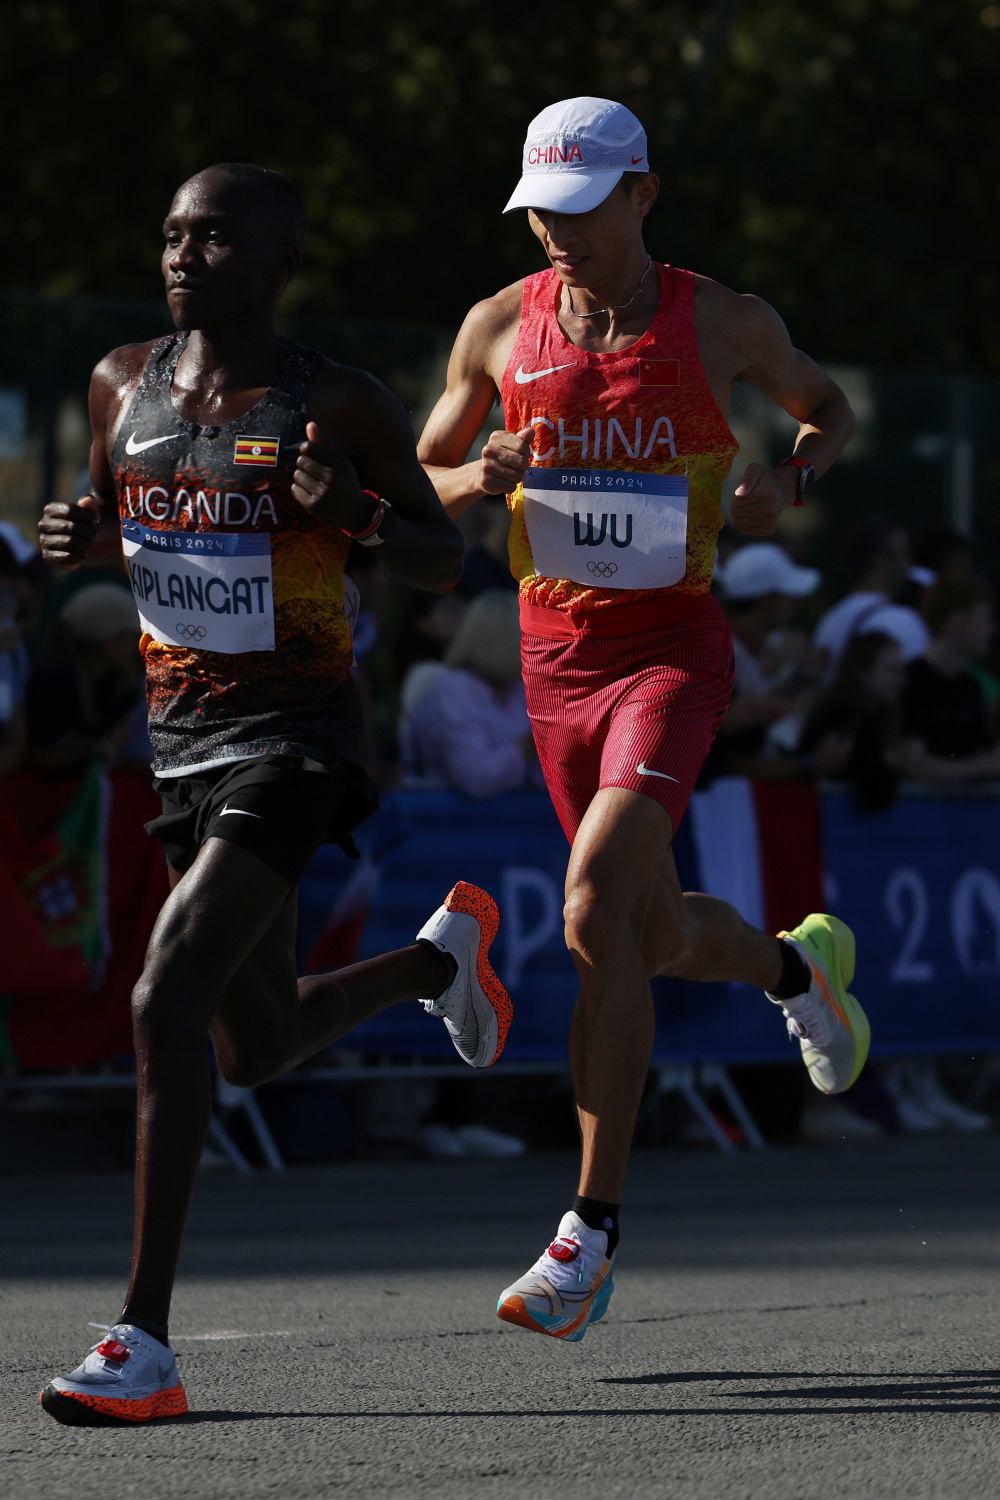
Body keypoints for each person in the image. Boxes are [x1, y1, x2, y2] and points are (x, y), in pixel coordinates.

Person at [35, 162, 512, 1425]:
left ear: (277, 262)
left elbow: (441, 555)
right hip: (178, 745)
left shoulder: (333, 401)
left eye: (213, 237)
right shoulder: (117, 382)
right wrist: (84, 533)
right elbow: (122, 509)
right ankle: (436, 967)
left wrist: (354, 514)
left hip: (298, 740)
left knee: (164, 994)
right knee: (252, 1049)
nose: (183, 255)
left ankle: (142, 1343)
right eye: (172, 235)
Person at [417, 96, 870, 1341]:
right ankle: (798, 969)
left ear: (641, 196)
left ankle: (588, 1231)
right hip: (551, 664)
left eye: (580, 208)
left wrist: (789, 474)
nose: (556, 233)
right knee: (647, 933)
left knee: (584, 911)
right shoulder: (500, 324)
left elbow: (827, 406)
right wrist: (474, 477)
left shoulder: (718, 319)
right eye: (538, 212)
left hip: (671, 655)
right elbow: (423, 468)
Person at [402, 588, 541, 797]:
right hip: (446, 824)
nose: (540, 646)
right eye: (530, 636)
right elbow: (475, 779)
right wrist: (529, 745)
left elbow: (542, 780)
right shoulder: (453, 691)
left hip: (513, 822)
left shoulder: (517, 688)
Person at [900, 576, 1000, 781]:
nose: (992, 629)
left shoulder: (971, 687)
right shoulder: (909, 681)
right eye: (985, 619)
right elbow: (912, 764)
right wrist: (983, 767)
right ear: (956, 620)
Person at [799, 631, 906, 810]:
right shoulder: (851, 718)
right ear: (863, 672)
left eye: (902, 670)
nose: (901, 680)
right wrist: (890, 765)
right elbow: (877, 792)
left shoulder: (855, 713)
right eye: (892, 670)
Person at [813, 518, 928, 669]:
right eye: (903, 555)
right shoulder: (903, 621)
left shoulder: (829, 621)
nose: (909, 564)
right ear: (879, 562)